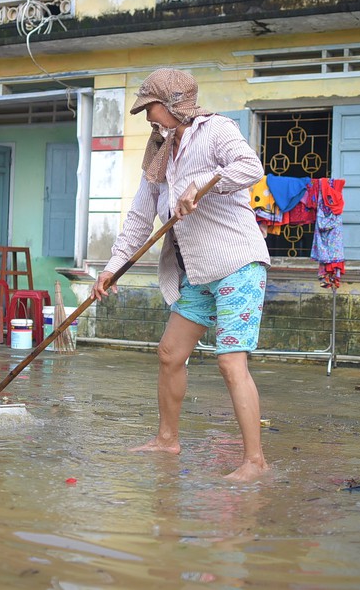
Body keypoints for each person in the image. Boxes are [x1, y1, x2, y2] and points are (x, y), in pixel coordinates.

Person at [92, 68, 271, 482]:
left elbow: (249, 165)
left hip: (237, 264)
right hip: (195, 271)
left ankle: (255, 461)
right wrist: (111, 270)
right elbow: (139, 218)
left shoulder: (216, 130)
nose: (147, 116)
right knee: (171, 353)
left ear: (174, 104)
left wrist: (207, 184)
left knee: (230, 363)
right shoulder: (161, 151)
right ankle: (167, 439)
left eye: (150, 107)